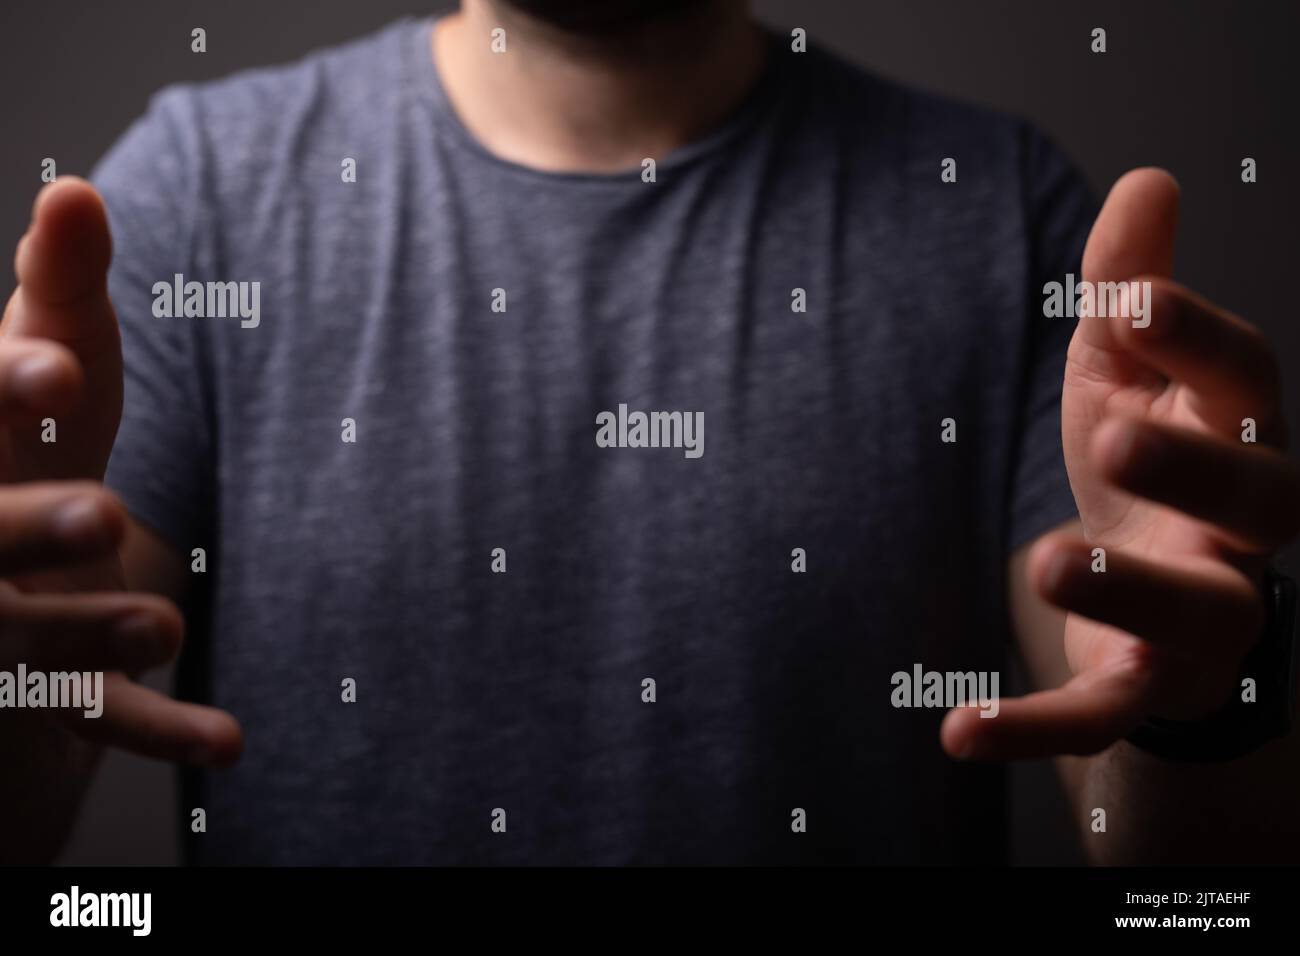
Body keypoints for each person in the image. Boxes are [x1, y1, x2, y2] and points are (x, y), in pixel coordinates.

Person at [2, 0, 1297, 865]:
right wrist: (17, 678)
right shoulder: (196, 194)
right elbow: (36, 786)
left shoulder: (1001, 213)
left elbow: (1169, 874)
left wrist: (1200, 699)